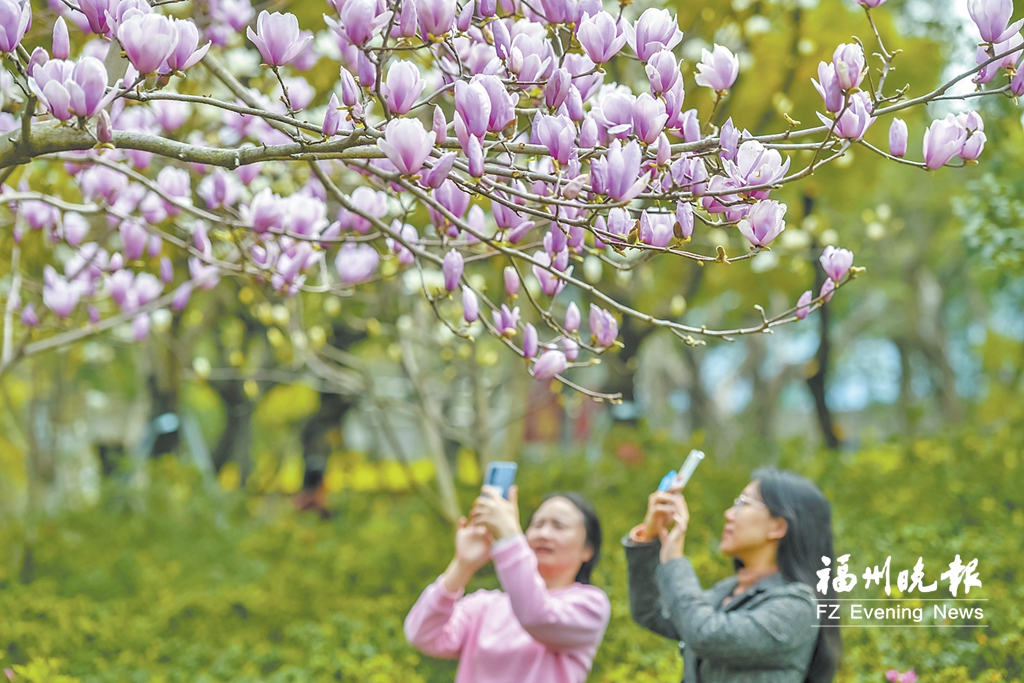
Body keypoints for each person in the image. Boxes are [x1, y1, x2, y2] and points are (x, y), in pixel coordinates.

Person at [623, 466, 842, 683]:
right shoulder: (729, 590)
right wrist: (649, 536)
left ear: (778, 527)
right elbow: (652, 612)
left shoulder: (797, 606)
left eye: (743, 504)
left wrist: (674, 562)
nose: (728, 514)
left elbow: (704, 633)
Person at [404, 485, 610, 683]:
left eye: (559, 526)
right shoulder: (484, 606)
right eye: (537, 525)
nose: (543, 534)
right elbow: (423, 635)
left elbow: (536, 616)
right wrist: (462, 565)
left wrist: (509, 535)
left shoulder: (590, 605)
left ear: (588, 550)